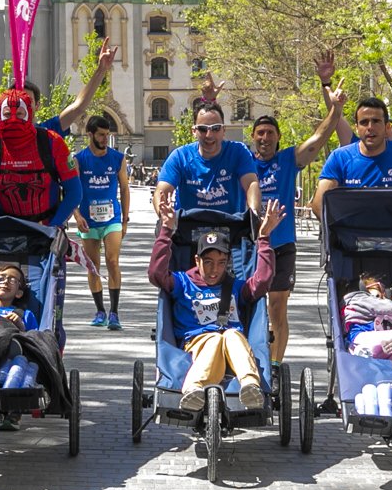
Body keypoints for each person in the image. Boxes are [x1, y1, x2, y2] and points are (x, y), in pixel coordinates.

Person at [244, 67, 350, 364]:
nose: (265, 138)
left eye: (270, 133)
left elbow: (319, 137)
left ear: (278, 138)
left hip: (282, 246)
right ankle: (251, 363)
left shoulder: (288, 159)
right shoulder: (243, 160)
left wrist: (337, 109)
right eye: (260, 133)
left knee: (277, 306)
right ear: (253, 136)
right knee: (250, 306)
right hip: (250, 246)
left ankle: (275, 366)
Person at [148, 201, 286, 413]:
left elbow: (262, 283)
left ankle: (250, 386)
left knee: (230, 334)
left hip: (233, 348)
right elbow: (157, 275)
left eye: (221, 262)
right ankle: (193, 389)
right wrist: (166, 230)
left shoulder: (234, 286)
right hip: (197, 344)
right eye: (209, 262)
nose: (215, 269)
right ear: (197, 260)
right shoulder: (183, 282)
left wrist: (264, 238)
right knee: (215, 338)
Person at [154, 101, 265, 282]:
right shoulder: (180, 156)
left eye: (215, 128)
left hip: (230, 232)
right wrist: (164, 213)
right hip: (189, 235)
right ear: (194, 130)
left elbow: (251, 182)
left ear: (223, 130)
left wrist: (254, 213)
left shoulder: (238, 152)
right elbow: (162, 190)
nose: (209, 134)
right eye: (203, 128)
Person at [0, 88, 84, 229]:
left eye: (19, 114)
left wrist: (56, 227)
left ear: (30, 114)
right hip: (5, 234)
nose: (13, 119)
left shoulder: (53, 142)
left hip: (47, 233)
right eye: (7, 114)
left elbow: (74, 190)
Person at [0, 33, 115, 138]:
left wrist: (101, 70)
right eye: (16, 100)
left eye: (27, 100)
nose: (21, 104)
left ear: (37, 105)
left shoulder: (48, 131)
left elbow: (78, 107)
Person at [310, 97, 392, 220]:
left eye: (376, 121)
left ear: (387, 126)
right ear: (356, 128)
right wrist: (342, 231)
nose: (370, 127)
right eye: (364, 122)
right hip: (351, 235)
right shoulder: (339, 157)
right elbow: (319, 205)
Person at [73, 115, 132, 329]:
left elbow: (125, 188)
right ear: (89, 134)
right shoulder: (79, 160)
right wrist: (77, 217)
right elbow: (71, 191)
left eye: (107, 135)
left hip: (112, 218)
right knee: (93, 266)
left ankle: (114, 313)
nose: (105, 138)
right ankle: (100, 311)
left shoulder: (117, 158)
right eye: (100, 134)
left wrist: (125, 219)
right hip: (88, 221)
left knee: (112, 261)